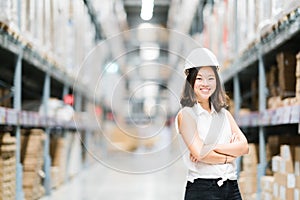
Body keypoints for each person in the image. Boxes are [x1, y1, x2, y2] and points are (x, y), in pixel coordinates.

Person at [175, 48, 249, 200]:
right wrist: (230, 155)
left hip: (231, 186)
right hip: (203, 189)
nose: (205, 84)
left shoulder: (225, 115)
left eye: (211, 78)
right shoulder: (187, 115)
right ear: (191, 81)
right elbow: (200, 154)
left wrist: (211, 147)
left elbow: (244, 146)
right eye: (200, 78)